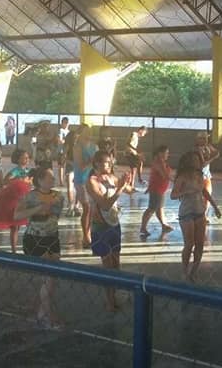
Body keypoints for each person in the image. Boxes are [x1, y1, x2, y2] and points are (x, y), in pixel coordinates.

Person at [14, 167, 65, 327]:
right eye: (50, 177)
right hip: (35, 239)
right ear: (40, 180)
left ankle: (42, 311)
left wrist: (48, 209)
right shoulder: (30, 196)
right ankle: (47, 315)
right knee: (48, 278)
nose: (53, 180)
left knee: (52, 278)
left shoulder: (58, 196)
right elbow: (17, 215)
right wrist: (38, 208)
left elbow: (56, 215)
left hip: (52, 238)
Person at [87, 151, 133, 311]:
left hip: (114, 224)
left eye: (110, 162)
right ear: (97, 164)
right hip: (100, 227)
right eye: (106, 162)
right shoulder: (92, 181)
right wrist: (120, 188)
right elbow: (105, 205)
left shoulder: (112, 178)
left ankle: (115, 293)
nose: (109, 165)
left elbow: (129, 189)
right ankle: (110, 301)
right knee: (107, 265)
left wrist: (127, 181)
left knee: (116, 263)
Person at [172, 151, 222, 282]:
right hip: (186, 213)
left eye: (198, 160)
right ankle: (184, 270)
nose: (197, 162)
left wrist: (215, 206)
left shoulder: (200, 175)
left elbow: (204, 191)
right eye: (194, 160)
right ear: (188, 162)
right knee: (189, 244)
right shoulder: (182, 177)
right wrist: (186, 191)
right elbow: (173, 195)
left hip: (200, 211)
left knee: (200, 244)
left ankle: (194, 271)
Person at [0, 148, 32, 253]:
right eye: (24, 158)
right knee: (15, 226)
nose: (27, 160)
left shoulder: (28, 171)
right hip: (17, 201)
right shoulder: (16, 171)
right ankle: (14, 250)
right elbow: (5, 181)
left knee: (30, 224)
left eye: (28, 158)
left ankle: (30, 246)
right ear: (18, 159)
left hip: (27, 199)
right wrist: (20, 180)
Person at [140, 145, 174, 238]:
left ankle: (164, 225)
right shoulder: (158, 163)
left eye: (167, 153)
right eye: (166, 153)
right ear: (160, 153)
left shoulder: (162, 162)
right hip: (157, 189)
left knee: (160, 208)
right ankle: (143, 228)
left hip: (160, 189)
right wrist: (176, 181)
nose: (167, 155)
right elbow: (164, 175)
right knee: (152, 208)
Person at [73, 124, 97, 247]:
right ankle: (85, 236)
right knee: (86, 208)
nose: (89, 133)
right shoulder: (78, 147)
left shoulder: (94, 146)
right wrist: (92, 161)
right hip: (81, 179)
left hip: (92, 179)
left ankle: (90, 232)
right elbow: (81, 165)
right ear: (81, 133)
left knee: (93, 209)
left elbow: (98, 164)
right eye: (86, 131)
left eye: (90, 131)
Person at [194, 132, 220, 212]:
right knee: (199, 197)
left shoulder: (207, 147)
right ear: (198, 139)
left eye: (206, 138)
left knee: (207, 197)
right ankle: (200, 213)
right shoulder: (197, 149)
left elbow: (217, 153)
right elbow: (203, 164)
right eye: (204, 138)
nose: (206, 140)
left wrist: (212, 152)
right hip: (199, 177)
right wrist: (212, 158)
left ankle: (204, 214)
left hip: (206, 176)